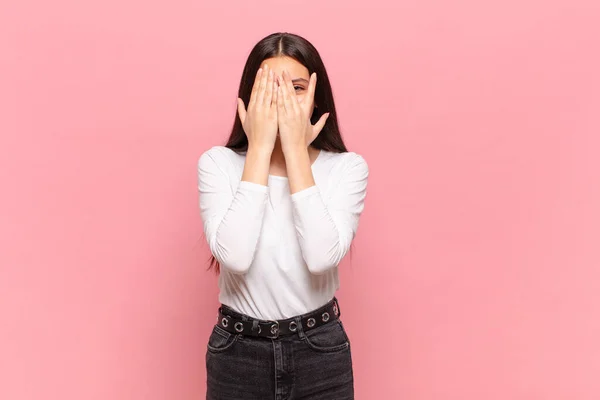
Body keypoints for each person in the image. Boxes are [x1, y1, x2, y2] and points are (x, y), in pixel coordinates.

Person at [197, 32, 369, 400]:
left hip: (320, 352)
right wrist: (259, 145)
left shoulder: (347, 169)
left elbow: (322, 257)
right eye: (269, 88)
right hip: (238, 353)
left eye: (297, 88)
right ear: (250, 96)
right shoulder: (218, 164)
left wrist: (294, 149)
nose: (283, 101)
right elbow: (235, 256)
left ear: (315, 96)